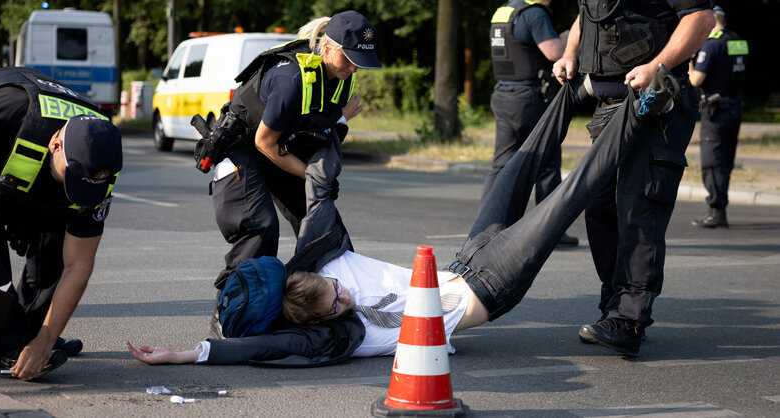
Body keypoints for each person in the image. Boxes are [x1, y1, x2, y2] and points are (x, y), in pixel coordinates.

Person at [126, 70, 680, 365]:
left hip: (466, 260)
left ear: (309, 277)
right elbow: (263, 348)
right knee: (567, 199)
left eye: (333, 291)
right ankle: (642, 106)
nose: (345, 299)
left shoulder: (326, 254)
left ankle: (570, 86)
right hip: (490, 291)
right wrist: (187, 355)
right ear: (319, 324)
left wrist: (329, 129)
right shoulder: (330, 338)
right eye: (338, 306)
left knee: (515, 168)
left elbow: (320, 185)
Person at [552, 1, 715, 355]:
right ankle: (613, 305)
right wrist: (569, 54)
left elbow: (701, 18)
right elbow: (586, 14)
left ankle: (629, 319)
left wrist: (657, 64)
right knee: (599, 209)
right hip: (608, 110)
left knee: (638, 210)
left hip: (654, 106)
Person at [0, 67, 123, 380]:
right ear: (56, 145)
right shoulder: (0, 116)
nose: (80, 189)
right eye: (72, 176)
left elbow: (79, 265)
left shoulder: (101, 163)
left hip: (25, 175)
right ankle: (6, 346)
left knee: (59, 239)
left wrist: (45, 339)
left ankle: (30, 332)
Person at [209, 10, 381, 288]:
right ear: (327, 46)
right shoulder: (291, 80)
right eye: (348, 59)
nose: (354, 68)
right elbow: (264, 142)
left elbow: (314, 130)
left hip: (280, 151)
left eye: (359, 62)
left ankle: (329, 300)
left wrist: (339, 120)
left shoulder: (340, 75)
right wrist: (312, 176)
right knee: (260, 228)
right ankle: (233, 312)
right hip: (243, 149)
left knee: (324, 225)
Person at [486, 0, 578, 248]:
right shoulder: (534, 14)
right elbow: (554, 52)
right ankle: (548, 232)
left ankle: (486, 228)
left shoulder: (504, 11)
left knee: (501, 163)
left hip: (504, 94)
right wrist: (568, 37)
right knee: (547, 163)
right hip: (529, 97)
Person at [689, 5, 748, 228]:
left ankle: (716, 212)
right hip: (735, 107)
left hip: (715, 112)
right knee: (725, 161)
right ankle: (719, 208)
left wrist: (688, 62)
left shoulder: (711, 45)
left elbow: (696, 80)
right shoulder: (738, 42)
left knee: (712, 163)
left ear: (711, 21)